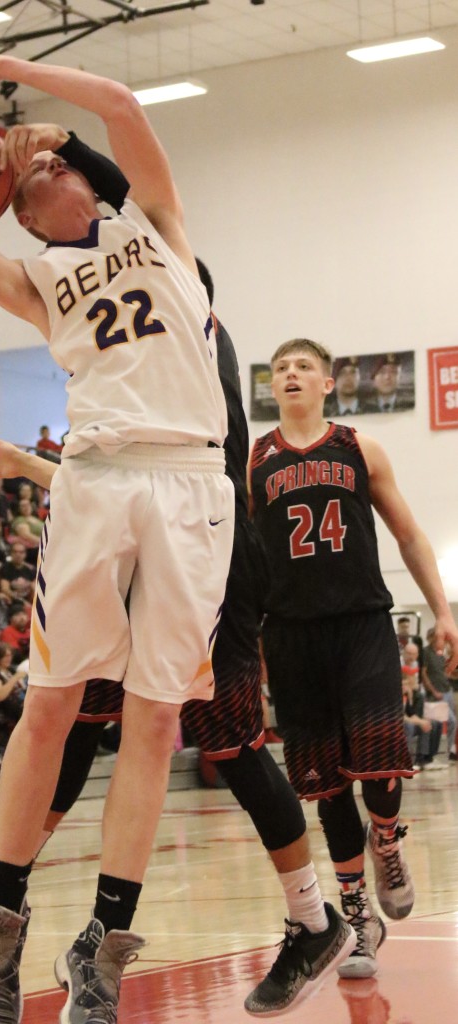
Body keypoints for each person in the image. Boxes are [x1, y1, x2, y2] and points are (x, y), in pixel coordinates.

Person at [0, 47, 234, 1024]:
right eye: (30, 178)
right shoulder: (35, 283)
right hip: (98, 479)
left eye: (55, 163)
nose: (47, 170)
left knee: (156, 718)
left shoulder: (157, 224)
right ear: (17, 211)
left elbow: (116, 101)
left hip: (193, 481)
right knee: (52, 702)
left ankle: (102, 948)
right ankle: (1, 931)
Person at [249, 338, 458, 983]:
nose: (290, 374)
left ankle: (388, 841)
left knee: (378, 756)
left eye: (303, 367)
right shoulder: (254, 461)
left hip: (362, 622)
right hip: (289, 636)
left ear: (328, 383)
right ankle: (357, 913)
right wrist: (252, 651)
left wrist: (443, 610)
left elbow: (410, 534)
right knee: (325, 784)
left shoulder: (360, 448)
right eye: (282, 367)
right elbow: (249, 565)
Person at [401, 648, 443, 771]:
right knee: (410, 726)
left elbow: (411, 713)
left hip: (411, 716)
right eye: (406, 681)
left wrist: (423, 721)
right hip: (399, 722)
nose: (410, 682)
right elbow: (401, 716)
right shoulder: (397, 694)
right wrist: (419, 721)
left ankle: (425, 758)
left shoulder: (412, 695)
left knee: (433, 722)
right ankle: (406, 762)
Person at [422, 626, 457, 762]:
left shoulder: (440, 653)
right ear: (430, 637)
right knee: (447, 722)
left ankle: (448, 751)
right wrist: (433, 691)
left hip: (447, 690)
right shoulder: (425, 652)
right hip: (436, 694)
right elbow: (423, 673)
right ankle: (436, 754)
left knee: (452, 723)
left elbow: (444, 672)